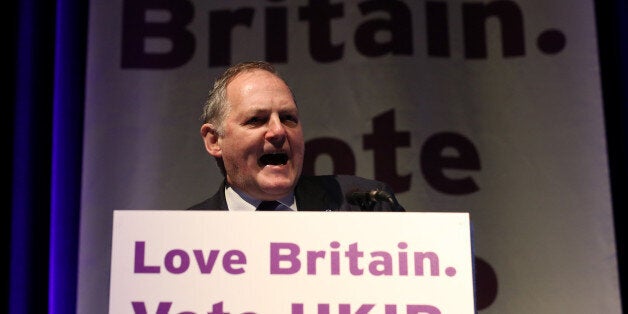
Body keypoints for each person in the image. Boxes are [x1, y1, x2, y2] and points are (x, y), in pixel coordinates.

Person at [188, 61, 404, 212]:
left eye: (288, 117)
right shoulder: (184, 234)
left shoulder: (366, 204)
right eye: (256, 120)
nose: (279, 131)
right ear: (214, 140)